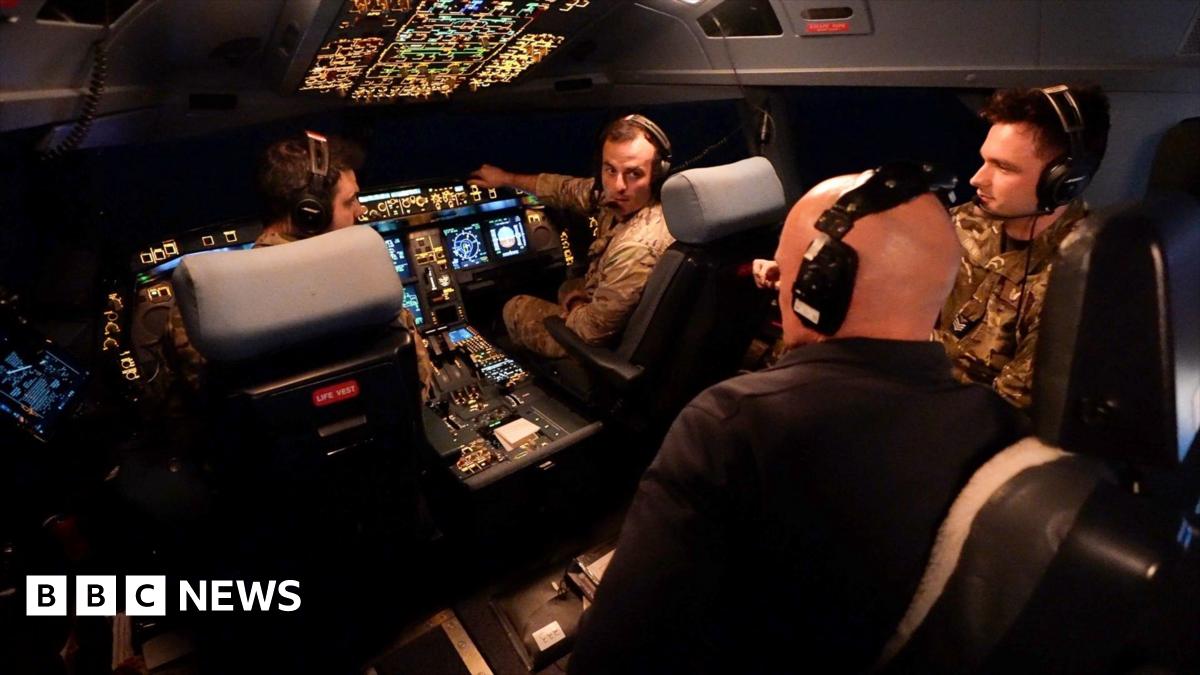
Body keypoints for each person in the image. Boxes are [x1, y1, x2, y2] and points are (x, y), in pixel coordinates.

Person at [568, 170, 1024, 674]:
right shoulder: (1002, 428)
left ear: (814, 292)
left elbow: (609, 657)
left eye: (786, 276)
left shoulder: (731, 426)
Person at [163, 133, 433, 397]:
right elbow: (417, 384)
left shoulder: (202, 304)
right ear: (311, 212)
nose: (360, 210)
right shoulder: (367, 282)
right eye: (350, 201)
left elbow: (199, 403)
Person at [935, 84, 1110, 409]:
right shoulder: (961, 222)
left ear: (1063, 181)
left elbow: (1009, 410)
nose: (976, 179)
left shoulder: (1077, 280)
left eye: (1004, 167)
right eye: (985, 160)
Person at [468, 114, 675, 358]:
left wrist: (577, 305)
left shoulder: (635, 246)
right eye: (610, 169)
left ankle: (528, 371)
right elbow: (565, 189)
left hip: (606, 350)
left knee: (515, 307)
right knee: (568, 286)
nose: (618, 186)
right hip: (618, 311)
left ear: (657, 174)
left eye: (634, 174)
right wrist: (505, 179)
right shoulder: (624, 198)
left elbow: (592, 332)